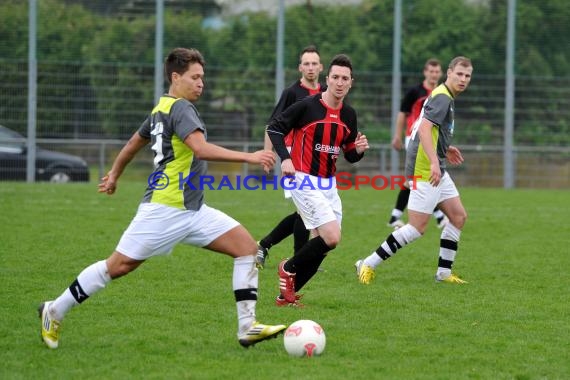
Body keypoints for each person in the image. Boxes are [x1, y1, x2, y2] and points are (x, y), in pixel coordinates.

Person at [38, 48, 286, 349]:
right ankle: (54, 310)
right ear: (175, 76)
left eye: (202, 78)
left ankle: (248, 327)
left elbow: (133, 143)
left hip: (193, 210)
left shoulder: (161, 108)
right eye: (195, 77)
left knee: (248, 249)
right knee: (117, 266)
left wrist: (115, 173)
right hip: (165, 209)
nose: (201, 83)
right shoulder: (179, 108)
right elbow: (200, 148)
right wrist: (250, 156)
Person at [355, 56, 473, 285]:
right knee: (417, 227)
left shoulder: (444, 95)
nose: (463, 79)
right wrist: (433, 162)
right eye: (459, 74)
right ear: (449, 73)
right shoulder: (442, 97)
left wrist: (444, 149)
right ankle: (367, 263)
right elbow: (425, 129)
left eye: (467, 76)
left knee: (458, 217)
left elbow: (426, 128)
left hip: (435, 165)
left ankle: (444, 273)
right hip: (425, 170)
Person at [267, 54, 369, 306]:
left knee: (325, 245)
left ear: (350, 83)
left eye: (345, 78)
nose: (340, 82)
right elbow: (274, 128)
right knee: (331, 236)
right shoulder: (307, 106)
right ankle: (287, 267)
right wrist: (285, 158)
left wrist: (359, 149)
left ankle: (285, 296)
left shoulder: (349, 115)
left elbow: (350, 154)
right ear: (328, 79)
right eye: (335, 77)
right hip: (302, 178)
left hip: (328, 183)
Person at [256, 45, 325, 270]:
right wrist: (269, 155)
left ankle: (265, 245)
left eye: (314, 63)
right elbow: (272, 125)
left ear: (321, 67)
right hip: (293, 161)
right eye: (306, 63)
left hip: (316, 163)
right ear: (300, 68)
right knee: (305, 211)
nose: (311, 67)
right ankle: (299, 261)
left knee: (305, 212)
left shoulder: (325, 92)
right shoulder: (292, 93)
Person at [388, 58, 448, 229]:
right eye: (431, 71)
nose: (434, 74)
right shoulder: (415, 92)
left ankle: (395, 216)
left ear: (441, 73)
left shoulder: (442, 92)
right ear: (425, 72)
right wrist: (397, 136)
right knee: (424, 177)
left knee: (417, 179)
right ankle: (439, 217)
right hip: (413, 138)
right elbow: (402, 113)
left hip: (433, 141)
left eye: (437, 71)